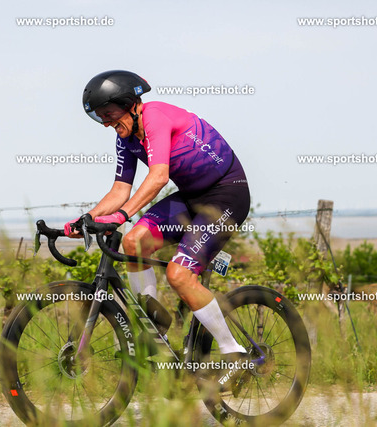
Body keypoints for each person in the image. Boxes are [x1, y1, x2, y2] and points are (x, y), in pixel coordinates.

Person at [65, 70, 251, 388]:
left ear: (130, 104)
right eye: (101, 118)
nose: (107, 123)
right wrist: (88, 218)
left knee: (179, 275)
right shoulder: (126, 137)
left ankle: (235, 353)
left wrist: (122, 215)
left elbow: (159, 176)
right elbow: (120, 190)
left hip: (226, 194)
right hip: (191, 198)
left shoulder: (154, 117)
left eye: (109, 114)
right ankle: (155, 327)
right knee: (134, 241)